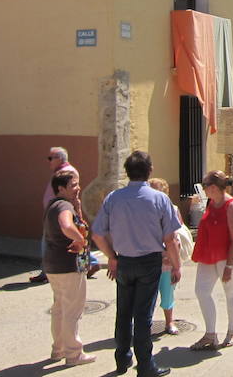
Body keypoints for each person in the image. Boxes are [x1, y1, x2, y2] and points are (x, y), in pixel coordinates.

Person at [91, 151, 181, 377]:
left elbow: (97, 234)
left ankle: (122, 360)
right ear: (149, 170)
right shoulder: (159, 199)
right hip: (150, 261)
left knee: (123, 313)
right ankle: (146, 365)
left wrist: (112, 256)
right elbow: (170, 238)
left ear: (127, 172)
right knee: (143, 316)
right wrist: (177, 266)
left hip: (125, 261)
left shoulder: (113, 198)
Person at [190, 171, 233, 351]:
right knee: (201, 291)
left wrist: (229, 266)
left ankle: (232, 331)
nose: (204, 192)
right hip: (209, 253)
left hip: (229, 256)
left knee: (231, 292)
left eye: (205, 188)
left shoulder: (231, 206)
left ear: (212, 188)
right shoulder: (212, 203)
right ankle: (210, 334)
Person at [44, 170, 96, 366]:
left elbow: (77, 224)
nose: (78, 188)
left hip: (54, 265)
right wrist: (80, 240)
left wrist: (78, 208)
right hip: (68, 265)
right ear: (61, 188)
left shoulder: (55, 205)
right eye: (73, 185)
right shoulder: (64, 206)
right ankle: (74, 354)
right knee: (72, 311)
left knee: (59, 308)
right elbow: (67, 225)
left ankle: (58, 350)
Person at [31, 147, 81, 284]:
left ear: (59, 158)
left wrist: (80, 239)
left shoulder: (67, 173)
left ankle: (46, 271)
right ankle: (46, 270)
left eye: (50, 158)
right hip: (54, 214)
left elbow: (67, 225)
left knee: (50, 241)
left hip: (58, 215)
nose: (49, 162)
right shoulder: (61, 173)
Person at [147, 178, 185, 336]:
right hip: (150, 258)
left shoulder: (173, 209)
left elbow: (180, 231)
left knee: (167, 291)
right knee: (148, 294)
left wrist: (175, 260)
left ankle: (169, 322)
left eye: (157, 190)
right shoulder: (144, 210)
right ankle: (146, 323)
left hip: (168, 260)